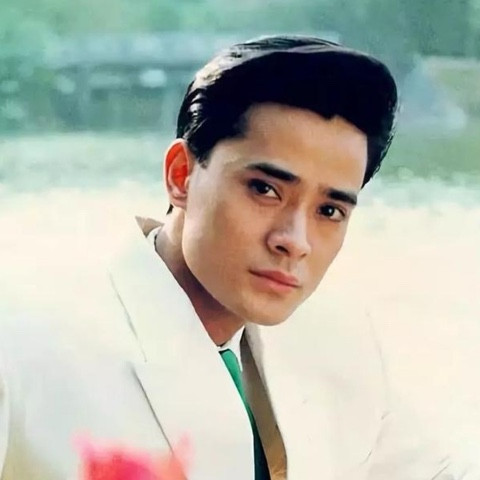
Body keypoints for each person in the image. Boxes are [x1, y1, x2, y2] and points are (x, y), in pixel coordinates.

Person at [0, 35, 477, 480]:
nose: (295, 240)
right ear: (182, 175)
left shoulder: (339, 346)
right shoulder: (25, 348)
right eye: (264, 190)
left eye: (329, 210)